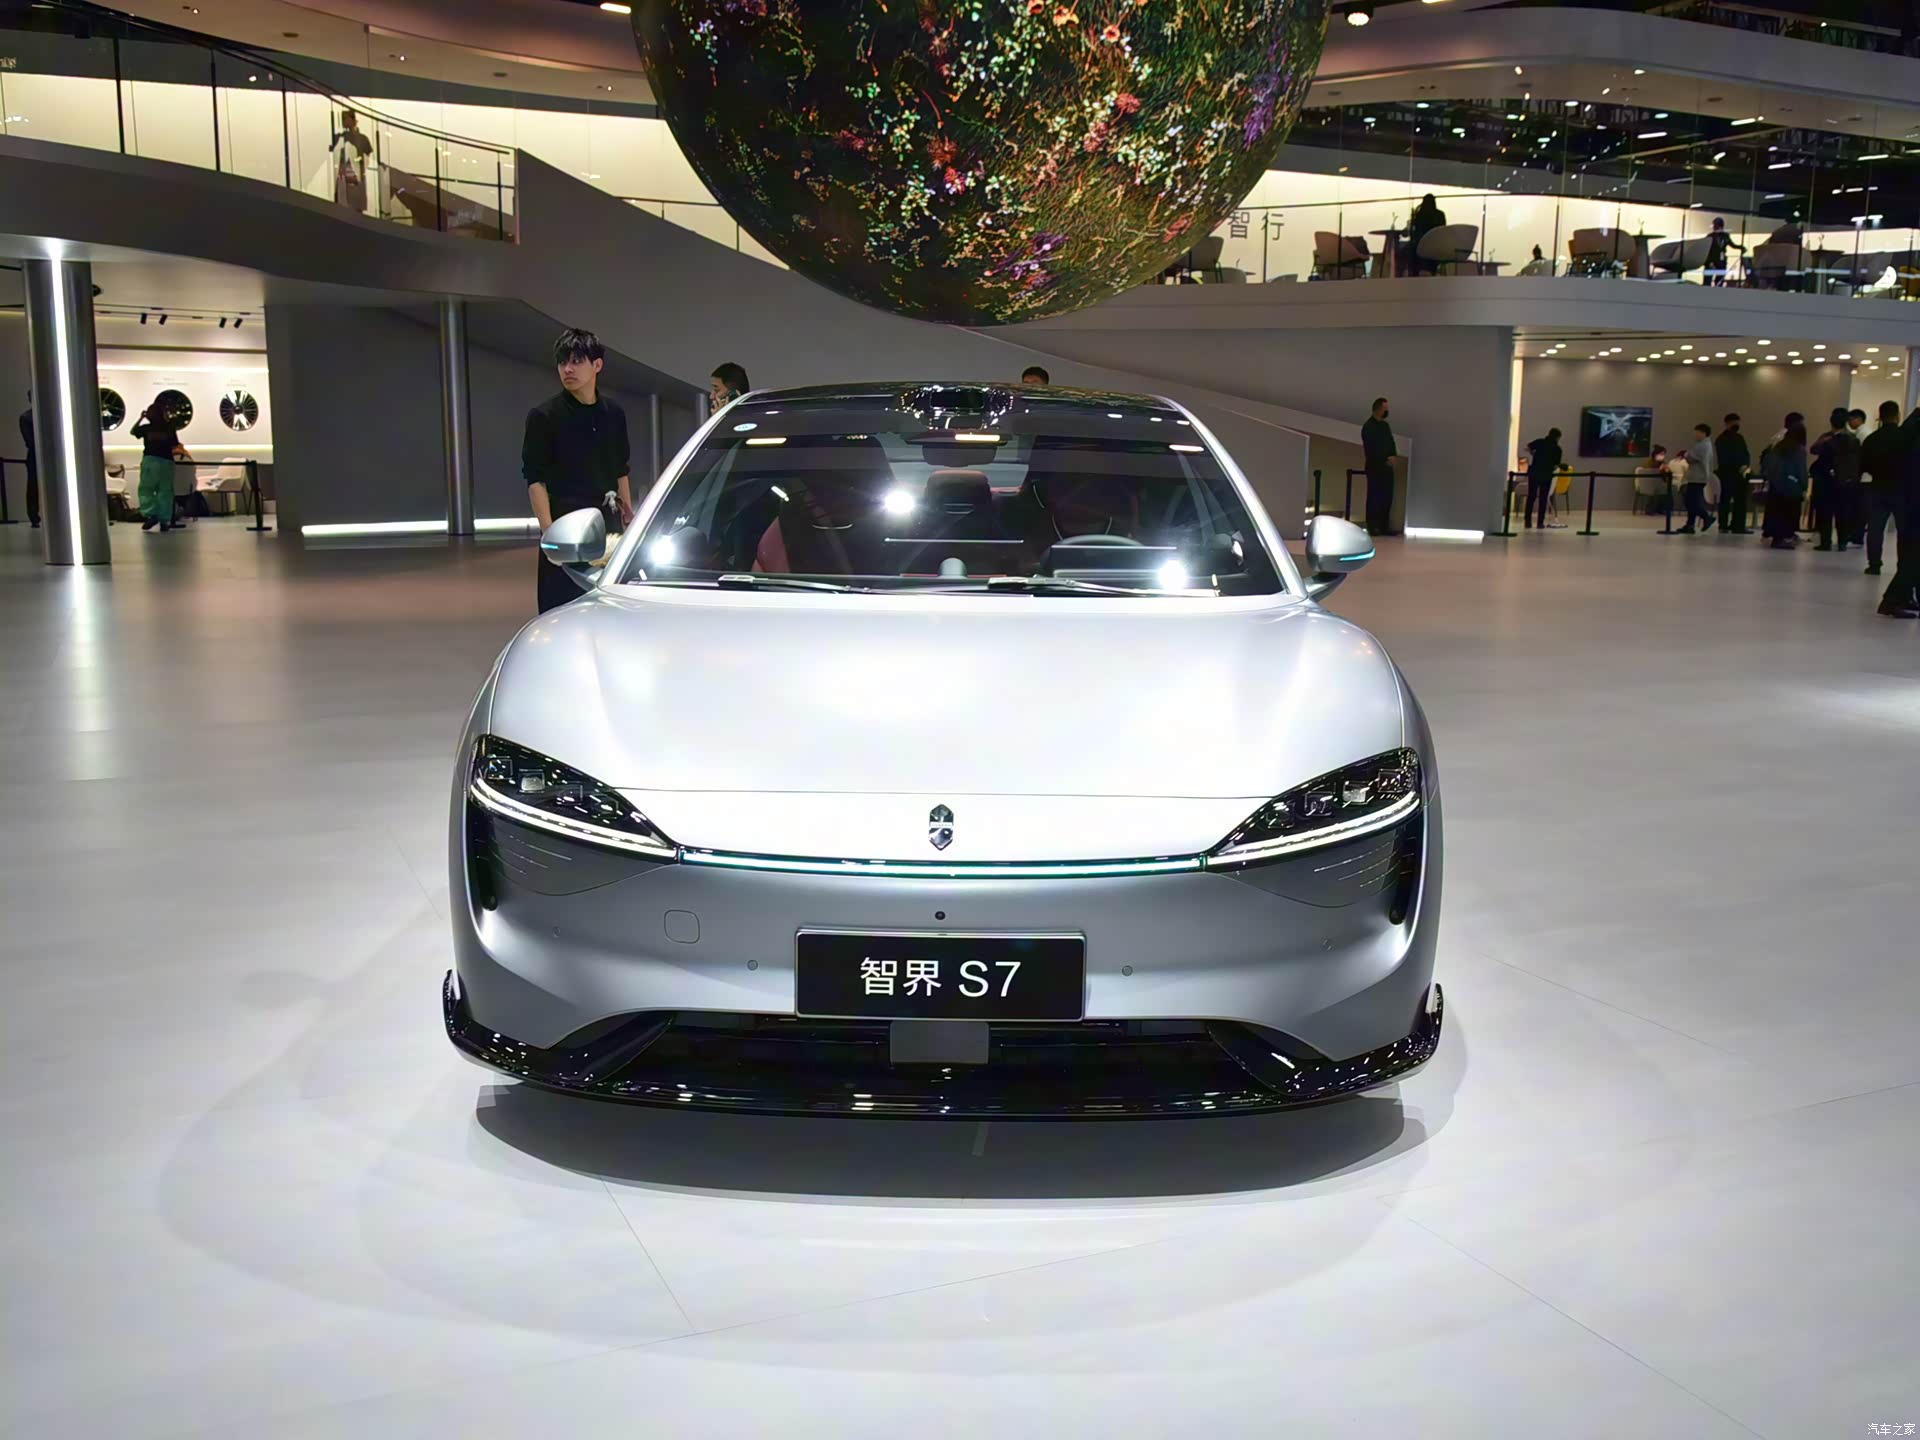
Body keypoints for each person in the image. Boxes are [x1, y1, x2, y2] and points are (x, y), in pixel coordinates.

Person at [523, 328, 632, 614]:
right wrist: (549, 534)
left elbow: (620, 468)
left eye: (576, 361)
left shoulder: (614, 413)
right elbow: (535, 479)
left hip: (608, 527)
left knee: (610, 608)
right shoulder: (544, 417)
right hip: (565, 528)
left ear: (597, 365)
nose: (567, 369)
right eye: (562, 362)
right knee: (561, 611)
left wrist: (628, 514)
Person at [1876, 405, 1919, 617]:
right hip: (1914, 500)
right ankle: (1893, 599)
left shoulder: (1909, 428)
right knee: (1914, 556)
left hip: (1907, 499)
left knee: (1911, 552)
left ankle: (1903, 597)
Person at [1860, 400, 1905, 578]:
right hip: (1902, 490)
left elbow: (1863, 464)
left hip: (1878, 487)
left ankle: (1874, 564)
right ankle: (1903, 566)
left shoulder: (1872, 439)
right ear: (1897, 415)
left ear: (1880, 416)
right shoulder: (1906, 437)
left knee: (1875, 528)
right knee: (1904, 530)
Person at [130, 399, 187, 533]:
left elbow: (133, 432)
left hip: (150, 460)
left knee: (146, 489)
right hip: (167, 462)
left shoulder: (146, 428)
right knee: (165, 491)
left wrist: (141, 418)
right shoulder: (169, 427)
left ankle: (151, 514)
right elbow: (174, 444)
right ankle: (164, 521)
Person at [1809, 406, 1862, 550]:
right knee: (1843, 512)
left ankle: (1825, 542)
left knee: (1825, 513)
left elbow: (1815, 452)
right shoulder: (1853, 440)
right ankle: (1842, 542)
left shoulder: (1827, 440)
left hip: (1827, 482)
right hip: (1846, 482)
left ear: (1831, 423)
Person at [1761, 414, 1809, 550]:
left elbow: (1769, 464)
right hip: (1792, 486)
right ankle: (1784, 537)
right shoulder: (1799, 450)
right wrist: (1804, 486)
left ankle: (1777, 537)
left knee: (1777, 512)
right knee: (1789, 513)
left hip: (1777, 485)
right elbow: (1801, 470)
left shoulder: (1778, 445)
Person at [1360, 396, 1397, 536]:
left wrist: (1392, 456)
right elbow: (1371, 448)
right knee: (1374, 496)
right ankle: (1373, 526)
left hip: (1387, 467)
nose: (1387, 411)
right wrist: (1384, 459)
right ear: (1378, 409)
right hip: (1375, 467)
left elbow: (1391, 442)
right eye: (1385, 409)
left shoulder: (1385, 426)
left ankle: (1384, 526)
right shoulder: (1368, 427)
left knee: (1386, 496)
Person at [1676, 422, 1717, 533]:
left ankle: (1706, 517)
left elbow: (1690, 457)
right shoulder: (1704, 444)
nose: (1695, 435)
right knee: (1692, 501)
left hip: (1698, 477)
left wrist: (1686, 455)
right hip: (1697, 476)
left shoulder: (1702, 445)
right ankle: (1690, 525)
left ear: (1704, 433)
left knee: (1691, 501)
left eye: (1697, 433)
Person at [1714, 413, 1751, 533]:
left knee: (1740, 500)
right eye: (1734, 422)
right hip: (1727, 474)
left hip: (1740, 474)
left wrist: (1745, 465)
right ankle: (1723, 525)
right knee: (1725, 500)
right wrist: (1738, 465)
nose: (1736, 425)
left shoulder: (1740, 438)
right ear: (1727, 423)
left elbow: (1746, 453)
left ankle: (1738, 525)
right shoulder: (1721, 439)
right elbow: (1724, 457)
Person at [331, 108, 372, 214]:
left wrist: (361, 171)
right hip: (344, 175)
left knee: (356, 207)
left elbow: (367, 158)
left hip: (356, 175)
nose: (344, 121)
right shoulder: (340, 137)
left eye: (346, 118)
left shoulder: (362, 139)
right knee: (342, 205)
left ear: (352, 120)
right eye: (343, 118)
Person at [1523, 427, 1563, 530]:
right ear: (1558, 437)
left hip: (1534, 472)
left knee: (1531, 497)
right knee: (1543, 498)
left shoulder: (1540, 442)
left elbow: (1528, 447)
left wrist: (1533, 454)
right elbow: (1556, 465)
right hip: (1546, 474)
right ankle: (1540, 523)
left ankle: (1527, 521)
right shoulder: (1557, 449)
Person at [1406, 194, 1446, 276]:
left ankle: (1412, 274)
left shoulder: (1419, 215)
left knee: (1408, 250)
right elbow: (1443, 230)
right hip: (1437, 245)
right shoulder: (1440, 215)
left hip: (1422, 246)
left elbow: (1415, 232)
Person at [17, 391, 39, 529]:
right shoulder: (26, 417)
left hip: (43, 454)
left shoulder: (47, 416)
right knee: (33, 486)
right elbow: (29, 441)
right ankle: (33, 516)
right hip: (35, 456)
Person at [1704, 217, 1745, 286]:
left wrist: (1741, 248)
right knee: (1708, 280)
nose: (1714, 227)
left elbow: (1732, 245)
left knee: (1719, 279)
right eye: (1714, 225)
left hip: (1721, 261)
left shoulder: (1725, 236)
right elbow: (1706, 249)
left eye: (1715, 225)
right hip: (1711, 260)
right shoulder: (1710, 236)